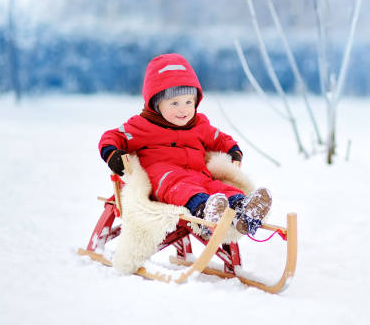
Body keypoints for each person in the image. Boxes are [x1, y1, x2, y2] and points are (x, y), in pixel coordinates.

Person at [99, 53, 271, 236]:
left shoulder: (199, 124)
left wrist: (234, 151)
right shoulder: (141, 126)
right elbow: (112, 136)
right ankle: (205, 213)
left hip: (199, 175)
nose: (183, 110)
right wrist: (112, 153)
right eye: (174, 103)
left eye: (189, 102)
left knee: (219, 188)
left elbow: (220, 138)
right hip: (166, 181)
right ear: (156, 104)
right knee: (186, 190)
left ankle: (243, 209)